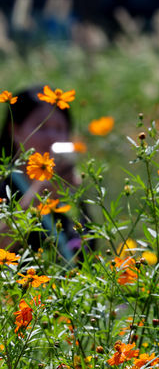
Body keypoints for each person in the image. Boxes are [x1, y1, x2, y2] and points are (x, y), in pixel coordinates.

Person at [0, 85, 94, 262]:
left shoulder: (71, 189)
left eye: (60, 128)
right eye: (42, 127)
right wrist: (36, 197)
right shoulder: (4, 184)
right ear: (15, 131)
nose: (53, 137)